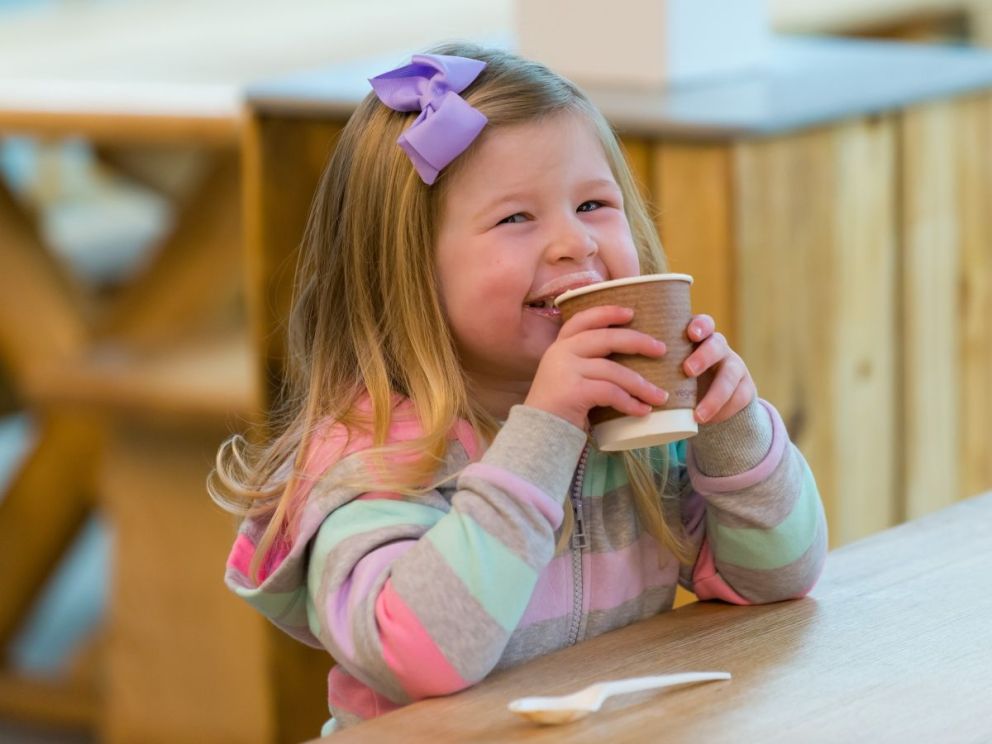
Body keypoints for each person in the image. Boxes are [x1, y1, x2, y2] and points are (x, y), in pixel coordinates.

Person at [210, 42, 827, 734]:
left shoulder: (628, 428)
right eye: (515, 219)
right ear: (409, 270)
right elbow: (422, 654)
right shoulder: (374, 460)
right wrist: (547, 431)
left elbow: (775, 580)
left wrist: (733, 428)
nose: (574, 243)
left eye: (593, 203)